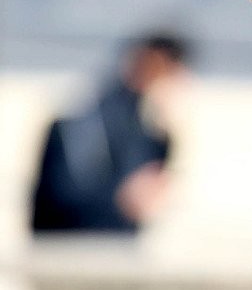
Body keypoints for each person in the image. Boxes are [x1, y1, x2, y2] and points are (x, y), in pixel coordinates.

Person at [30, 32, 190, 233]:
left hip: (114, 249)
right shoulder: (88, 123)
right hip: (77, 248)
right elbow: (67, 200)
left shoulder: (151, 130)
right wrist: (123, 199)